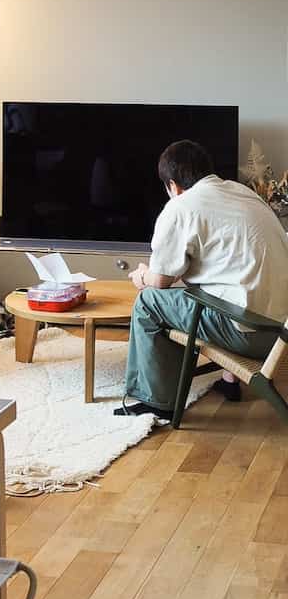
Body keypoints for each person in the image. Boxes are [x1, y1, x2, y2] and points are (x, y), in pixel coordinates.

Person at [116, 139, 288, 417]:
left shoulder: (181, 207)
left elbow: (161, 281)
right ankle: (230, 381)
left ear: (173, 185)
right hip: (282, 330)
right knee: (225, 284)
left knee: (149, 302)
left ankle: (156, 402)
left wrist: (142, 276)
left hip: (254, 336)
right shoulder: (244, 193)